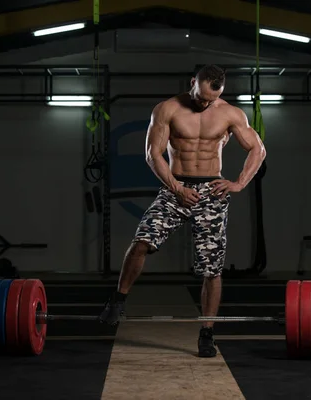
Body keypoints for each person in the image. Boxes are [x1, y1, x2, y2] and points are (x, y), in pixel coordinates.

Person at [98, 65, 267, 357]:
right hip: (176, 188)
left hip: (212, 192)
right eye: (201, 98)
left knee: (211, 269)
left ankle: (206, 332)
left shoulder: (230, 113)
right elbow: (153, 155)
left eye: (211, 100)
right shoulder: (167, 109)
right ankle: (118, 299)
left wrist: (239, 182)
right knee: (141, 243)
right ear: (193, 83)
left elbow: (258, 149)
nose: (205, 104)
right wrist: (177, 188)